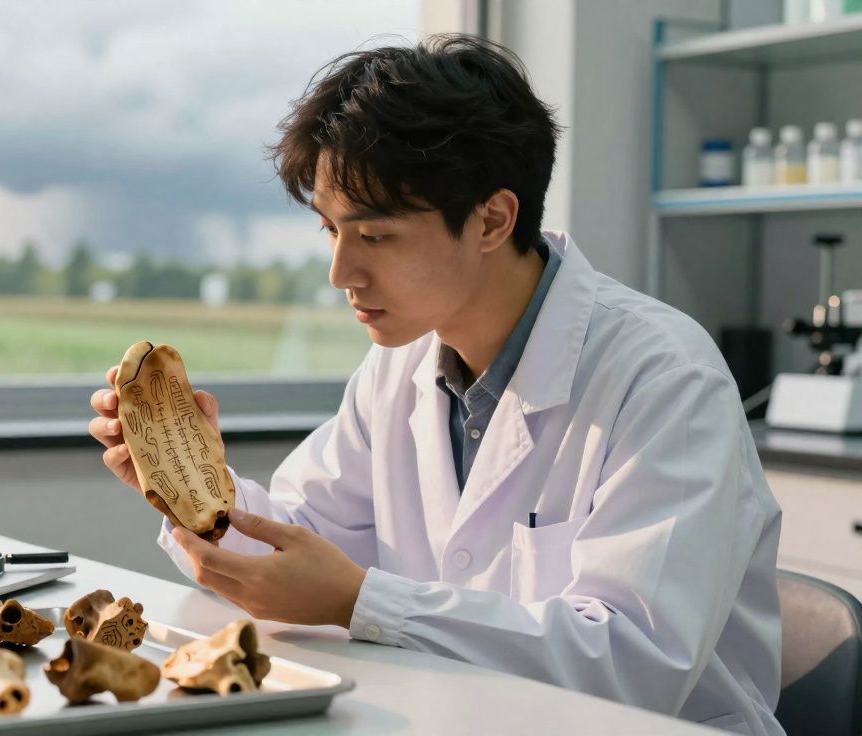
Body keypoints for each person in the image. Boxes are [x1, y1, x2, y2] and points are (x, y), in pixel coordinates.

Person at [88, 36, 781, 735]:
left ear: (492, 220)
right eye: (329, 230)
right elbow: (301, 545)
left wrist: (364, 602)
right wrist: (193, 487)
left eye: (374, 236)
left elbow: (633, 663)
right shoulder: (403, 364)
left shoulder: (664, 378)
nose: (340, 272)